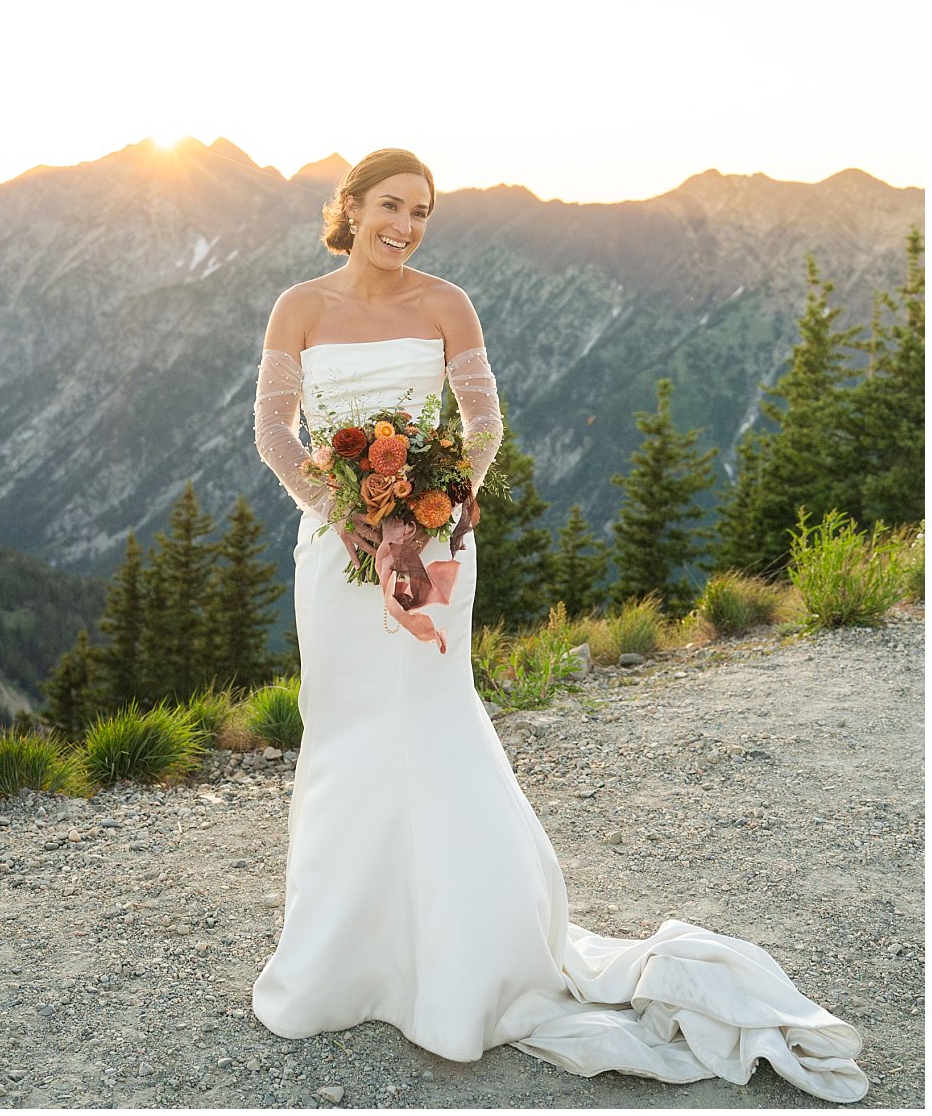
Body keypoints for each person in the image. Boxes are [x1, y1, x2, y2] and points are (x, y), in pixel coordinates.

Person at [247, 148, 868, 1103]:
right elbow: (275, 432)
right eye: (389, 206)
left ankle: (467, 953)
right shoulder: (301, 306)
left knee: (433, 726)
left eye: (420, 211)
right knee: (343, 735)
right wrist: (347, 513)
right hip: (335, 556)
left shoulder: (447, 303)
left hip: (438, 547)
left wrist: (437, 506)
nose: (404, 226)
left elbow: (484, 424)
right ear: (351, 207)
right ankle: (343, 956)